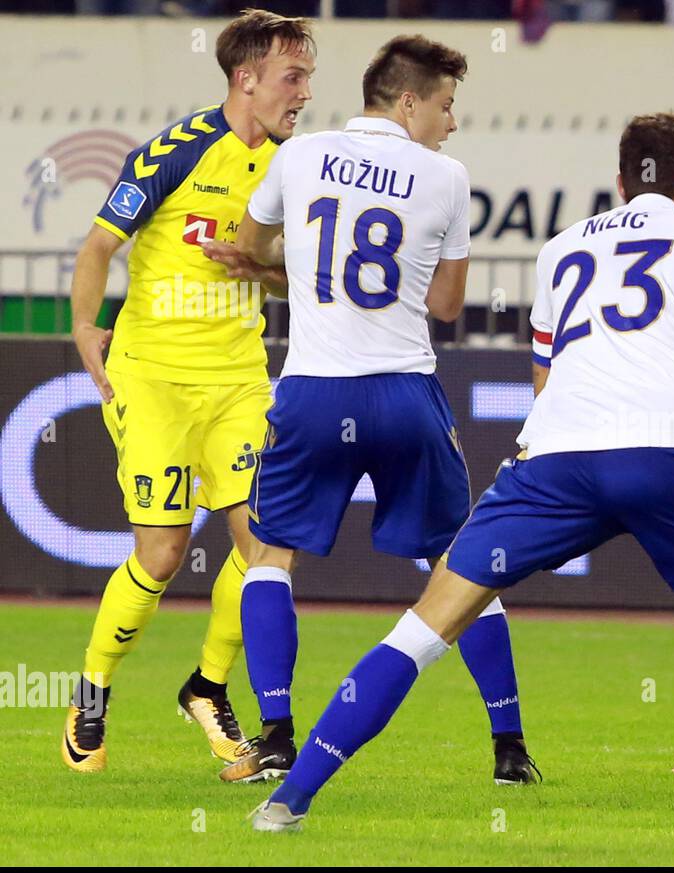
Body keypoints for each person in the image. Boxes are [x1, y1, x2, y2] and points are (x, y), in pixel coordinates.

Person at [248, 112, 674, 833]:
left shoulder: (559, 250)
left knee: (424, 627)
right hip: (659, 456)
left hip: (549, 464)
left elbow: (548, 376)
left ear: (619, 179)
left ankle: (289, 798)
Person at [221, 35, 537, 787]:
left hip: (312, 390)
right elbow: (449, 306)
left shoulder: (298, 157)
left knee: (269, 559)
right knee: (459, 564)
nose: (451, 123)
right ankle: (510, 749)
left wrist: (285, 271)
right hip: (402, 391)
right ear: (407, 102)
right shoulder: (446, 177)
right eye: (445, 105)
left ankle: (273, 735)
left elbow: (249, 242)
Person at [62, 9, 315, 773]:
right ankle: (93, 692)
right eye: (292, 77)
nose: (303, 94)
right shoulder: (175, 151)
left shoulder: (295, 167)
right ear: (246, 79)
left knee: (269, 546)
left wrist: (262, 270)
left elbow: (297, 275)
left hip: (240, 380)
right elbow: (101, 244)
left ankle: (208, 687)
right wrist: (83, 328)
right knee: (165, 553)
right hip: (154, 377)